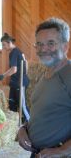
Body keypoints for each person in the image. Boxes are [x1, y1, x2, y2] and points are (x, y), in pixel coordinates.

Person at [17, 17, 71, 158]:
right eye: (39, 44)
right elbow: (42, 112)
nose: (43, 49)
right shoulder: (46, 73)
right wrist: (24, 129)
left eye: (51, 43)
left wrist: (62, 151)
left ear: (65, 47)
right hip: (38, 153)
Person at [0, 33, 30, 123]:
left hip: (20, 82)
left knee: (22, 105)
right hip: (15, 82)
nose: (3, 47)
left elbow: (14, 69)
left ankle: (30, 123)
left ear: (9, 42)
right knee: (12, 104)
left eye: (4, 44)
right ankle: (14, 124)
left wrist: (3, 76)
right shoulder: (18, 51)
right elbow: (26, 64)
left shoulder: (14, 52)